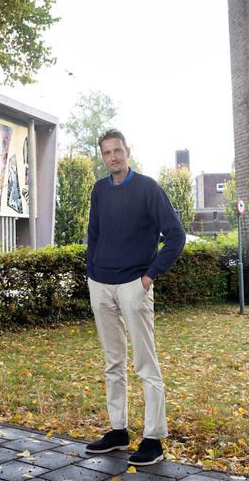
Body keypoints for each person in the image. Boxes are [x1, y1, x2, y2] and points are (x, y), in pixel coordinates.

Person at [83, 129, 185, 467]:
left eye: (117, 151)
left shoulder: (147, 189)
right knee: (113, 362)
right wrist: (91, 271)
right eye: (107, 152)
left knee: (145, 363)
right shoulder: (99, 190)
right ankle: (118, 431)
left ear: (128, 151)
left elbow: (175, 235)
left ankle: (153, 437)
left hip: (134, 286)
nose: (113, 157)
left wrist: (150, 275)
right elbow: (94, 233)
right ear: (103, 156)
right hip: (101, 284)